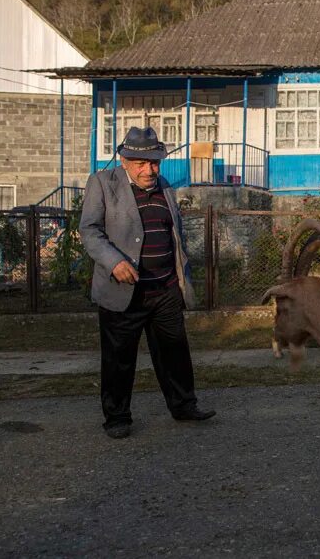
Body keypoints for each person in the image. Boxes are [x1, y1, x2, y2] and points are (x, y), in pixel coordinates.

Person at [80, 127, 215, 439]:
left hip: (165, 288)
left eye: (154, 162)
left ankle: (183, 405)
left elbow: (173, 234)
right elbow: (89, 230)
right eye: (141, 163)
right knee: (118, 359)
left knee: (175, 351)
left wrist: (181, 279)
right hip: (124, 291)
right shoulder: (102, 183)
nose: (149, 170)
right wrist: (114, 262)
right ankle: (117, 418)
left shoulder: (164, 186)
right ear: (125, 160)